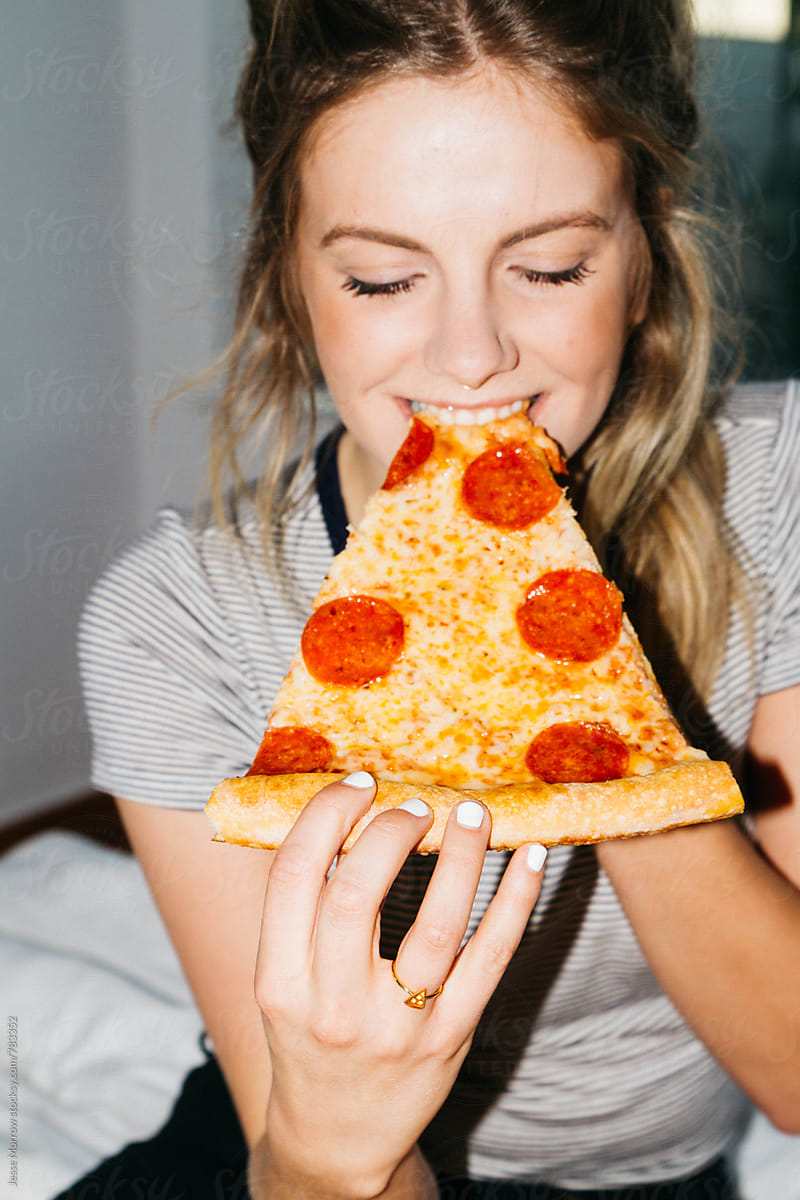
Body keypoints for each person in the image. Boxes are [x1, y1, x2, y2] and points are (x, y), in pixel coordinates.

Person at [62, 1, 800, 1197]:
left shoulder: (777, 494)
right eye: (381, 278)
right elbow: (303, 1153)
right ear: (289, 285)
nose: (469, 356)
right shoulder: (175, 618)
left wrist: (577, 687)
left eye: (549, 266)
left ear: (645, 263)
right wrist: (322, 1145)